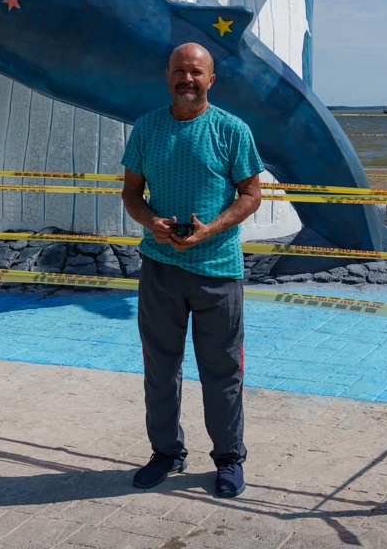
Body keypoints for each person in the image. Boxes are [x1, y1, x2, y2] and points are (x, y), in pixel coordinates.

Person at [121, 43, 263, 499]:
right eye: (180, 70)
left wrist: (209, 231)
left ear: (211, 79)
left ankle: (229, 458)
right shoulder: (146, 128)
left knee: (222, 371)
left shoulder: (232, 130)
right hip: (160, 268)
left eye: (196, 71)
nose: (188, 78)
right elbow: (130, 194)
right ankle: (166, 452)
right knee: (160, 368)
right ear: (167, 75)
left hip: (218, 270)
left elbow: (251, 194)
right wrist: (151, 223)